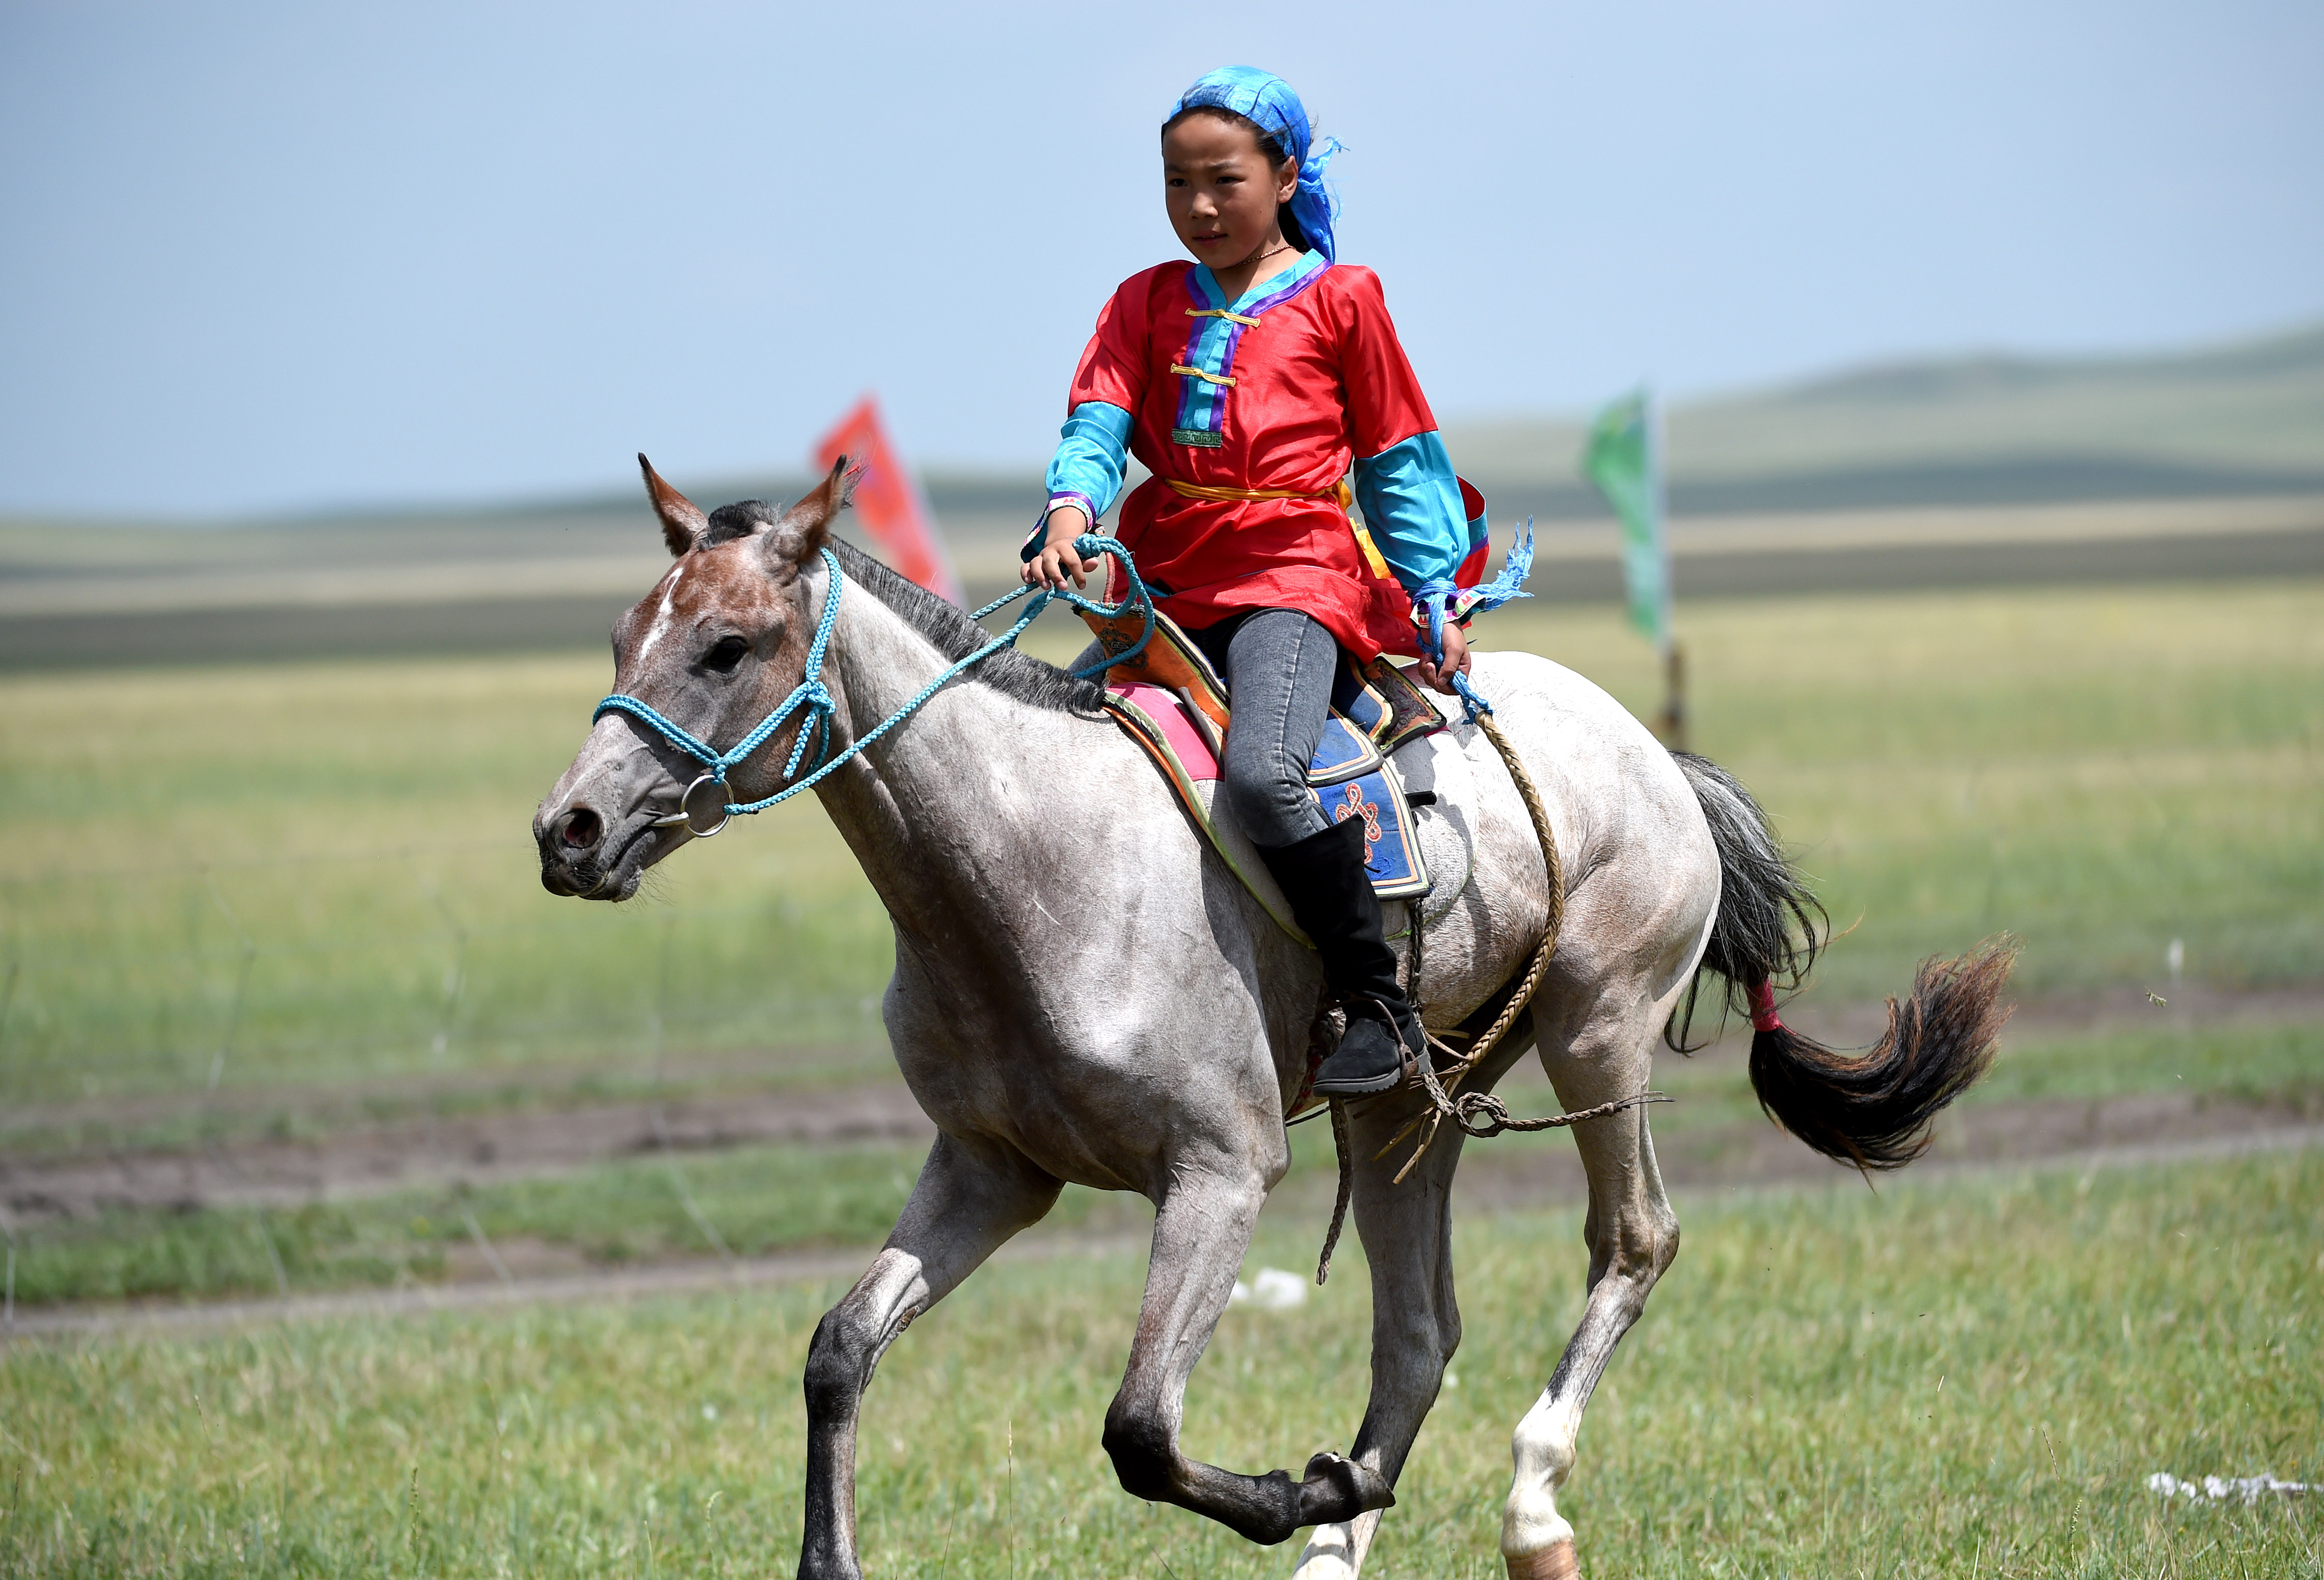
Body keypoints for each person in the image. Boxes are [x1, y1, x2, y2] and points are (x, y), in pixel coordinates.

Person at [1023, 65, 1486, 1098]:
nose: (1198, 207)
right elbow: (1097, 421)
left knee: (1261, 778)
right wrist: (1068, 516)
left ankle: (1377, 1002)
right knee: (1042, 768)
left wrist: (1433, 597)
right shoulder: (1140, 301)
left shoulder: (1342, 299)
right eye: (1176, 182)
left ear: (1283, 177)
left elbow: (1398, 457)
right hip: (1161, 578)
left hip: (1295, 572)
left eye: (1223, 181)